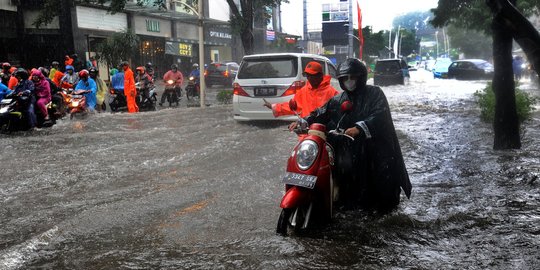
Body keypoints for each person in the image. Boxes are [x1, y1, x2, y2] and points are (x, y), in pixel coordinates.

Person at [300, 58, 412, 213]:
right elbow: (320, 113)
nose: (349, 81)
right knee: (349, 190)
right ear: (340, 80)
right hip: (351, 153)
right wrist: (304, 122)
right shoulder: (338, 99)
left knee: (382, 193)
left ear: (361, 77)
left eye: (353, 77)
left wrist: (360, 127)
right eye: (345, 78)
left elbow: (380, 116)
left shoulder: (375, 93)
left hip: (376, 152)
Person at [263, 61, 338, 122]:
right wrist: (274, 107)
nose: (310, 78)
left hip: (324, 132)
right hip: (306, 133)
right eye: (308, 75)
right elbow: (293, 106)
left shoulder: (332, 93)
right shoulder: (303, 91)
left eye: (312, 75)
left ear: (320, 75)